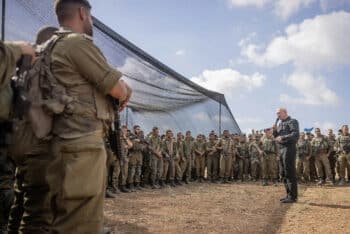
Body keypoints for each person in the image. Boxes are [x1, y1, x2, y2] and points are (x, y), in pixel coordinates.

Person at [49, 1, 132, 233]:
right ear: (82, 13)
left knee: (63, 216)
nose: (92, 22)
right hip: (80, 141)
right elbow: (118, 89)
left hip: (59, 138)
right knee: (81, 221)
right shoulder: (76, 43)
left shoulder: (48, 46)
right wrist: (124, 87)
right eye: (92, 17)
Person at [6, 26, 59, 234]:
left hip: (20, 143)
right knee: (38, 214)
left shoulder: (22, 68)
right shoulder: (44, 70)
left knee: (20, 201)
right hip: (38, 146)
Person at [273, 108, 299, 203]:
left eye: (279, 113)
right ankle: (288, 195)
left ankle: (293, 197)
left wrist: (282, 137)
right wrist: (275, 131)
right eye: (276, 113)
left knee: (289, 172)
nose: (277, 115)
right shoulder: (280, 124)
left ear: (285, 112)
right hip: (281, 149)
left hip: (289, 148)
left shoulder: (292, 121)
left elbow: (295, 135)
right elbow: (276, 137)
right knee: (283, 173)